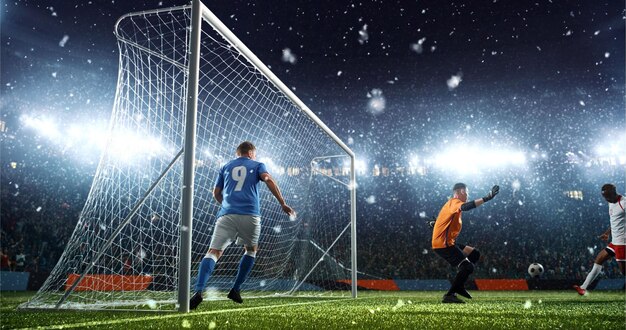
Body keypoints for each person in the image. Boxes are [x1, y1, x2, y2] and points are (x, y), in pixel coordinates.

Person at [190, 141, 294, 310]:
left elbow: (215, 193)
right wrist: (282, 203)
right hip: (250, 214)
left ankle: (198, 291)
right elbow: (268, 179)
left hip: (226, 215)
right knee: (251, 250)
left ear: (237, 153)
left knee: (213, 252)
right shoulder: (258, 164)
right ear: (251, 153)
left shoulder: (225, 166)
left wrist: (226, 205)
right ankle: (235, 289)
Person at [431, 183, 499, 303]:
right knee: (467, 266)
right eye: (466, 192)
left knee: (474, 254)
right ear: (460, 192)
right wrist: (487, 197)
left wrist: (435, 223)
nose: (468, 195)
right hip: (443, 244)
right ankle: (450, 294)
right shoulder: (454, 202)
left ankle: (459, 284)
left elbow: (444, 218)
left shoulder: (451, 205)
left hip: (448, 242)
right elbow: (467, 206)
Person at [574, 183, 625, 295]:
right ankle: (583, 287)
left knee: (624, 271)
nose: (606, 199)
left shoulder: (624, 203)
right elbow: (615, 221)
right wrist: (607, 233)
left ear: (614, 193)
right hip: (614, 242)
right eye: (605, 197)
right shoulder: (611, 202)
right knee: (599, 259)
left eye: (608, 197)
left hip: (622, 243)